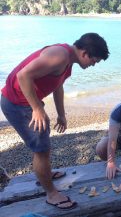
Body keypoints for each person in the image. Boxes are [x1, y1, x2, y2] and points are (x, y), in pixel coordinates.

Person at [1, 33, 109, 210]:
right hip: (17, 104)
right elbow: (23, 76)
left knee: (44, 141)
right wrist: (37, 108)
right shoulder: (60, 56)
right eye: (94, 61)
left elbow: (57, 86)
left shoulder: (67, 62)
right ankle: (51, 194)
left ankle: (46, 174)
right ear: (85, 53)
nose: (93, 65)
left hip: (25, 101)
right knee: (41, 148)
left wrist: (61, 114)